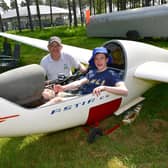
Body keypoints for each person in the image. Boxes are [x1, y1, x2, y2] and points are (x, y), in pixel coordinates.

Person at [41, 47, 128, 106]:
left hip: (86, 100)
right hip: (79, 94)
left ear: (107, 60)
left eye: (102, 58)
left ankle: (36, 114)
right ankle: (35, 106)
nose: (99, 61)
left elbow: (124, 91)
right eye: (96, 58)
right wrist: (63, 87)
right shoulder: (92, 72)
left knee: (57, 100)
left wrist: (104, 88)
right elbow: (79, 83)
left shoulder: (111, 74)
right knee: (48, 92)